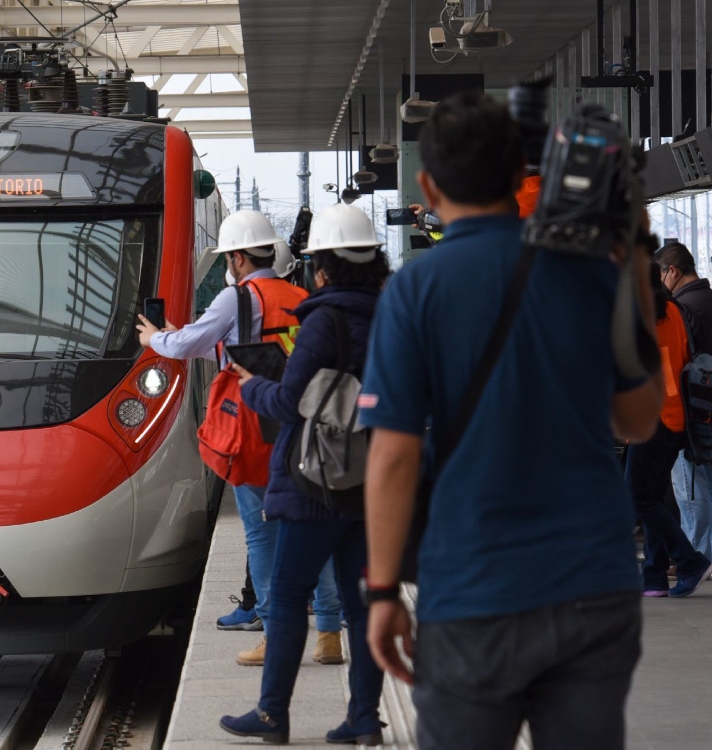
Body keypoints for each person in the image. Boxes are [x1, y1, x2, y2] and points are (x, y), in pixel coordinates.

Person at [357, 91, 663, 750]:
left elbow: (392, 457)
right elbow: (638, 421)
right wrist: (634, 265)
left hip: (474, 593)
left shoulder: (415, 289)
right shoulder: (590, 275)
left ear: (428, 185)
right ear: (521, 171)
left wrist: (383, 590)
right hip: (593, 586)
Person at [136, 210, 345, 666]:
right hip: (300, 426)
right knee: (313, 529)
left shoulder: (237, 297)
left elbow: (187, 348)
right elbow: (258, 345)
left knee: (262, 537)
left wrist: (156, 338)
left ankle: (274, 634)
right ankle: (329, 631)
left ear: (237, 258)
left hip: (254, 430)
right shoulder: (299, 295)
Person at [218, 204, 388, 746]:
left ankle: (272, 715)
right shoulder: (390, 315)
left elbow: (291, 403)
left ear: (322, 268)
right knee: (363, 605)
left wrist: (250, 385)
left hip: (316, 482)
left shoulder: (323, 320)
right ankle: (363, 718)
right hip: (370, 479)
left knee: (289, 594)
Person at [627, 262, 712, 596]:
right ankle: (654, 575)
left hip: (655, 419)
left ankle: (690, 562)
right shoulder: (671, 309)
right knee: (654, 496)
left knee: (638, 497)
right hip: (675, 418)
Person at [657, 241, 712, 579]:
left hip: (690, 409)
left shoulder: (683, 306)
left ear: (672, 271)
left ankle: (696, 557)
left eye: (661, 274)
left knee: (690, 490)